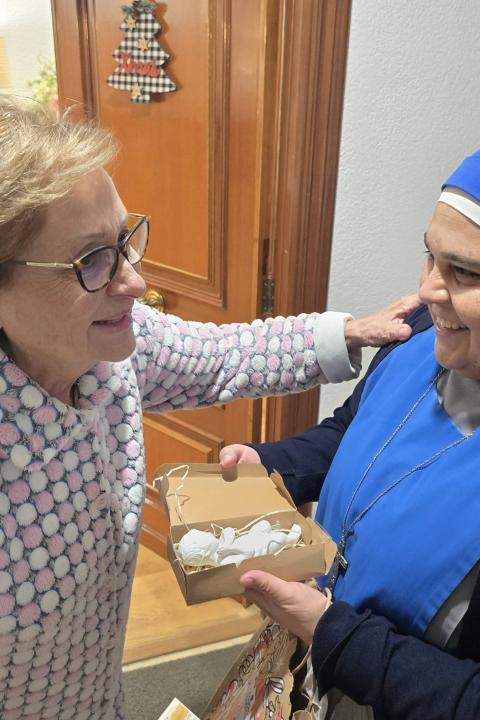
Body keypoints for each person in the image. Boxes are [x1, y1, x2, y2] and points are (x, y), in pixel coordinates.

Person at [0, 95, 418, 720]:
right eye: (91, 260)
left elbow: (221, 355)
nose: (134, 282)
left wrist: (349, 332)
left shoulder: (110, 352)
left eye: (123, 240)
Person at [221, 148, 480, 719]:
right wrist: (268, 467)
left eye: (465, 272)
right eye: (429, 256)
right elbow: (348, 432)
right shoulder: (416, 329)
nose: (430, 289)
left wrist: (334, 633)